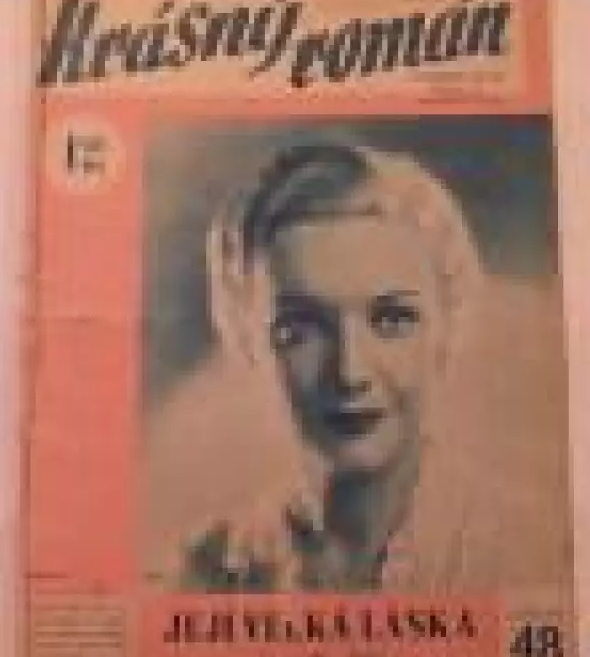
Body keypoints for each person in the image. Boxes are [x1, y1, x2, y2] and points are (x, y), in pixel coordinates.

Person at [163, 139, 483, 593]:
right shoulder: (208, 571)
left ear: (446, 329)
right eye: (301, 329)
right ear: (247, 340)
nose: (350, 372)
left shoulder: (533, 547)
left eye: (392, 320)